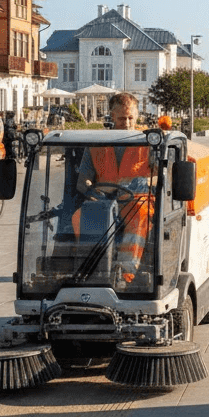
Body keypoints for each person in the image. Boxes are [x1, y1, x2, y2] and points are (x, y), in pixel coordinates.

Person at [74, 92, 155, 285]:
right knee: (78, 217)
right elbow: (83, 180)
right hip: (104, 200)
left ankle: (125, 273)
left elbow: (162, 175)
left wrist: (145, 182)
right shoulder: (97, 144)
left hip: (138, 199)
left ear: (137, 116)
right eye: (121, 119)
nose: (127, 123)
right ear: (111, 116)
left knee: (140, 216)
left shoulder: (149, 142)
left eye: (130, 118)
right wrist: (89, 191)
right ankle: (91, 271)